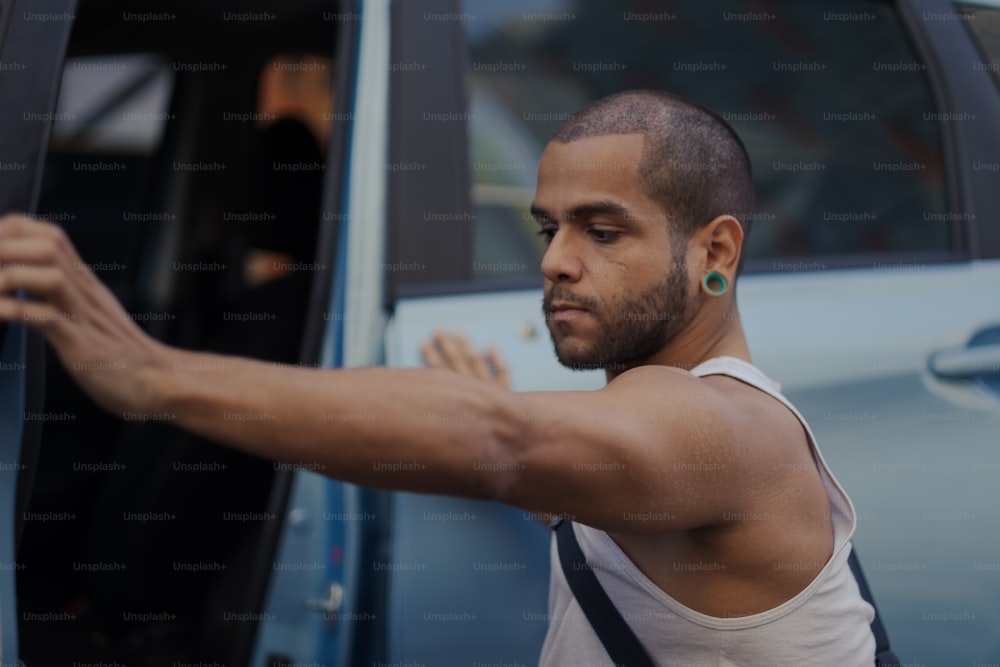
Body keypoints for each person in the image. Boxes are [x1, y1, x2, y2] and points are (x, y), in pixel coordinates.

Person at [0, 90, 876, 664]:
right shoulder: (668, 446)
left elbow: (496, 441)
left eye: (602, 232)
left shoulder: (725, 427)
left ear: (716, 251)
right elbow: (569, 482)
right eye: (548, 231)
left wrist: (151, 374)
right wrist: (508, 420)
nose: (558, 263)